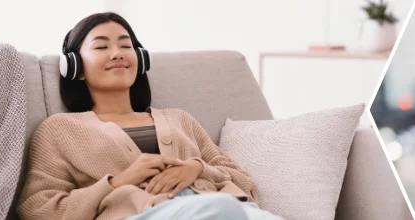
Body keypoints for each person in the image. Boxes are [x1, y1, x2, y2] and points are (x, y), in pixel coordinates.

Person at [17, 12, 280, 220]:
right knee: (222, 210)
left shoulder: (179, 119)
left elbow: (242, 180)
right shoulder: (59, 130)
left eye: (125, 45)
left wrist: (197, 167)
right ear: (76, 66)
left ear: (140, 59)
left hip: (220, 207)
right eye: (101, 47)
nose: (117, 53)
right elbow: (37, 208)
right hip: (147, 213)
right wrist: (118, 182)